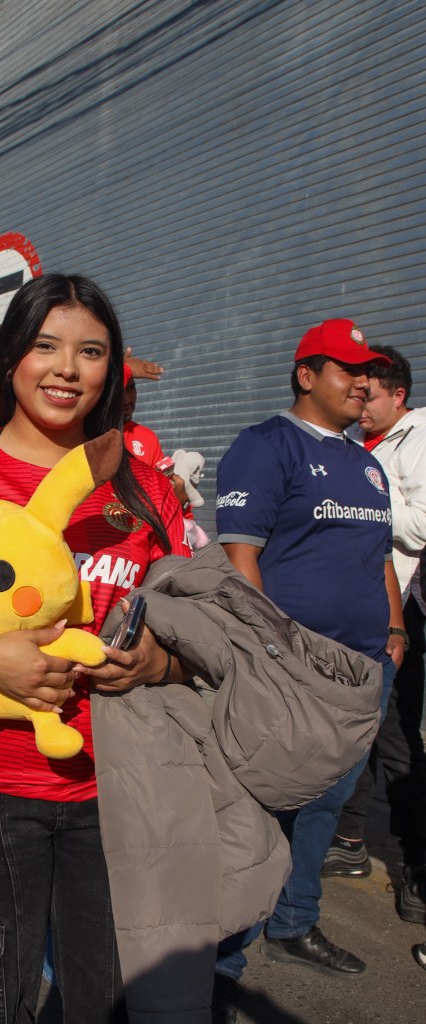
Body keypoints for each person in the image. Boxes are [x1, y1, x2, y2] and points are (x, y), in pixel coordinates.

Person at [0, 273, 189, 1023]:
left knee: (104, 990)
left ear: (110, 369)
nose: (66, 368)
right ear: (9, 355)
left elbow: (193, 632)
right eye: (45, 345)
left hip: (116, 787)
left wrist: (158, 662)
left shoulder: (147, 489)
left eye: (90, 352)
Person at [212, 319, 405, 1020]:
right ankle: (221, 955)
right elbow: (240, 559)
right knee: (264, 807)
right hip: (294, 668)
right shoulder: (266, 446)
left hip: (363, 668)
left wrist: (392, 628)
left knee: (327, 802)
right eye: (347, 370)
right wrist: (276, 656)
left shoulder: (366, 463)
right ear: (305, 375)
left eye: (368, 373)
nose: (362, 384)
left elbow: (377, 554)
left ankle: (293, 924)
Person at [323, 345, 426, 924]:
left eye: (372, 394)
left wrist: (364, 503)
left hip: (403, 610)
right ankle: (353, 840)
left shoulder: (420, 439)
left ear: (399, 396)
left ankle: (418, 868)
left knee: (394, 737)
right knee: (361, 724)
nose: (361, 404)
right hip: (366, 603)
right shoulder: (368, 445)